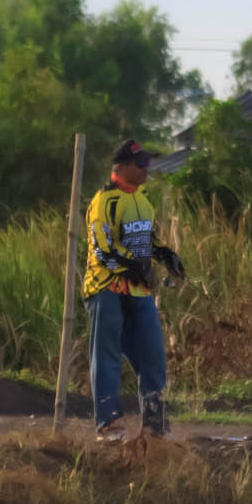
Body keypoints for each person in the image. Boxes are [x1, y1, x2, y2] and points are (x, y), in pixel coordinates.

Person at [83, 139, 186, 442]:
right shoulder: (103, 201)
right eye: (141, 164)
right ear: (121, 167)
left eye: (148, 164)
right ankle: (108, 424)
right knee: (107, 355)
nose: (146, 170)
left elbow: (147, 241)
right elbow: (102, 251)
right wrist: (134, 266)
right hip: (106, 288)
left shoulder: (143, 200)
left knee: (153, 355)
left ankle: (154, 423)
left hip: (139, 292)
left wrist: (167, 256)